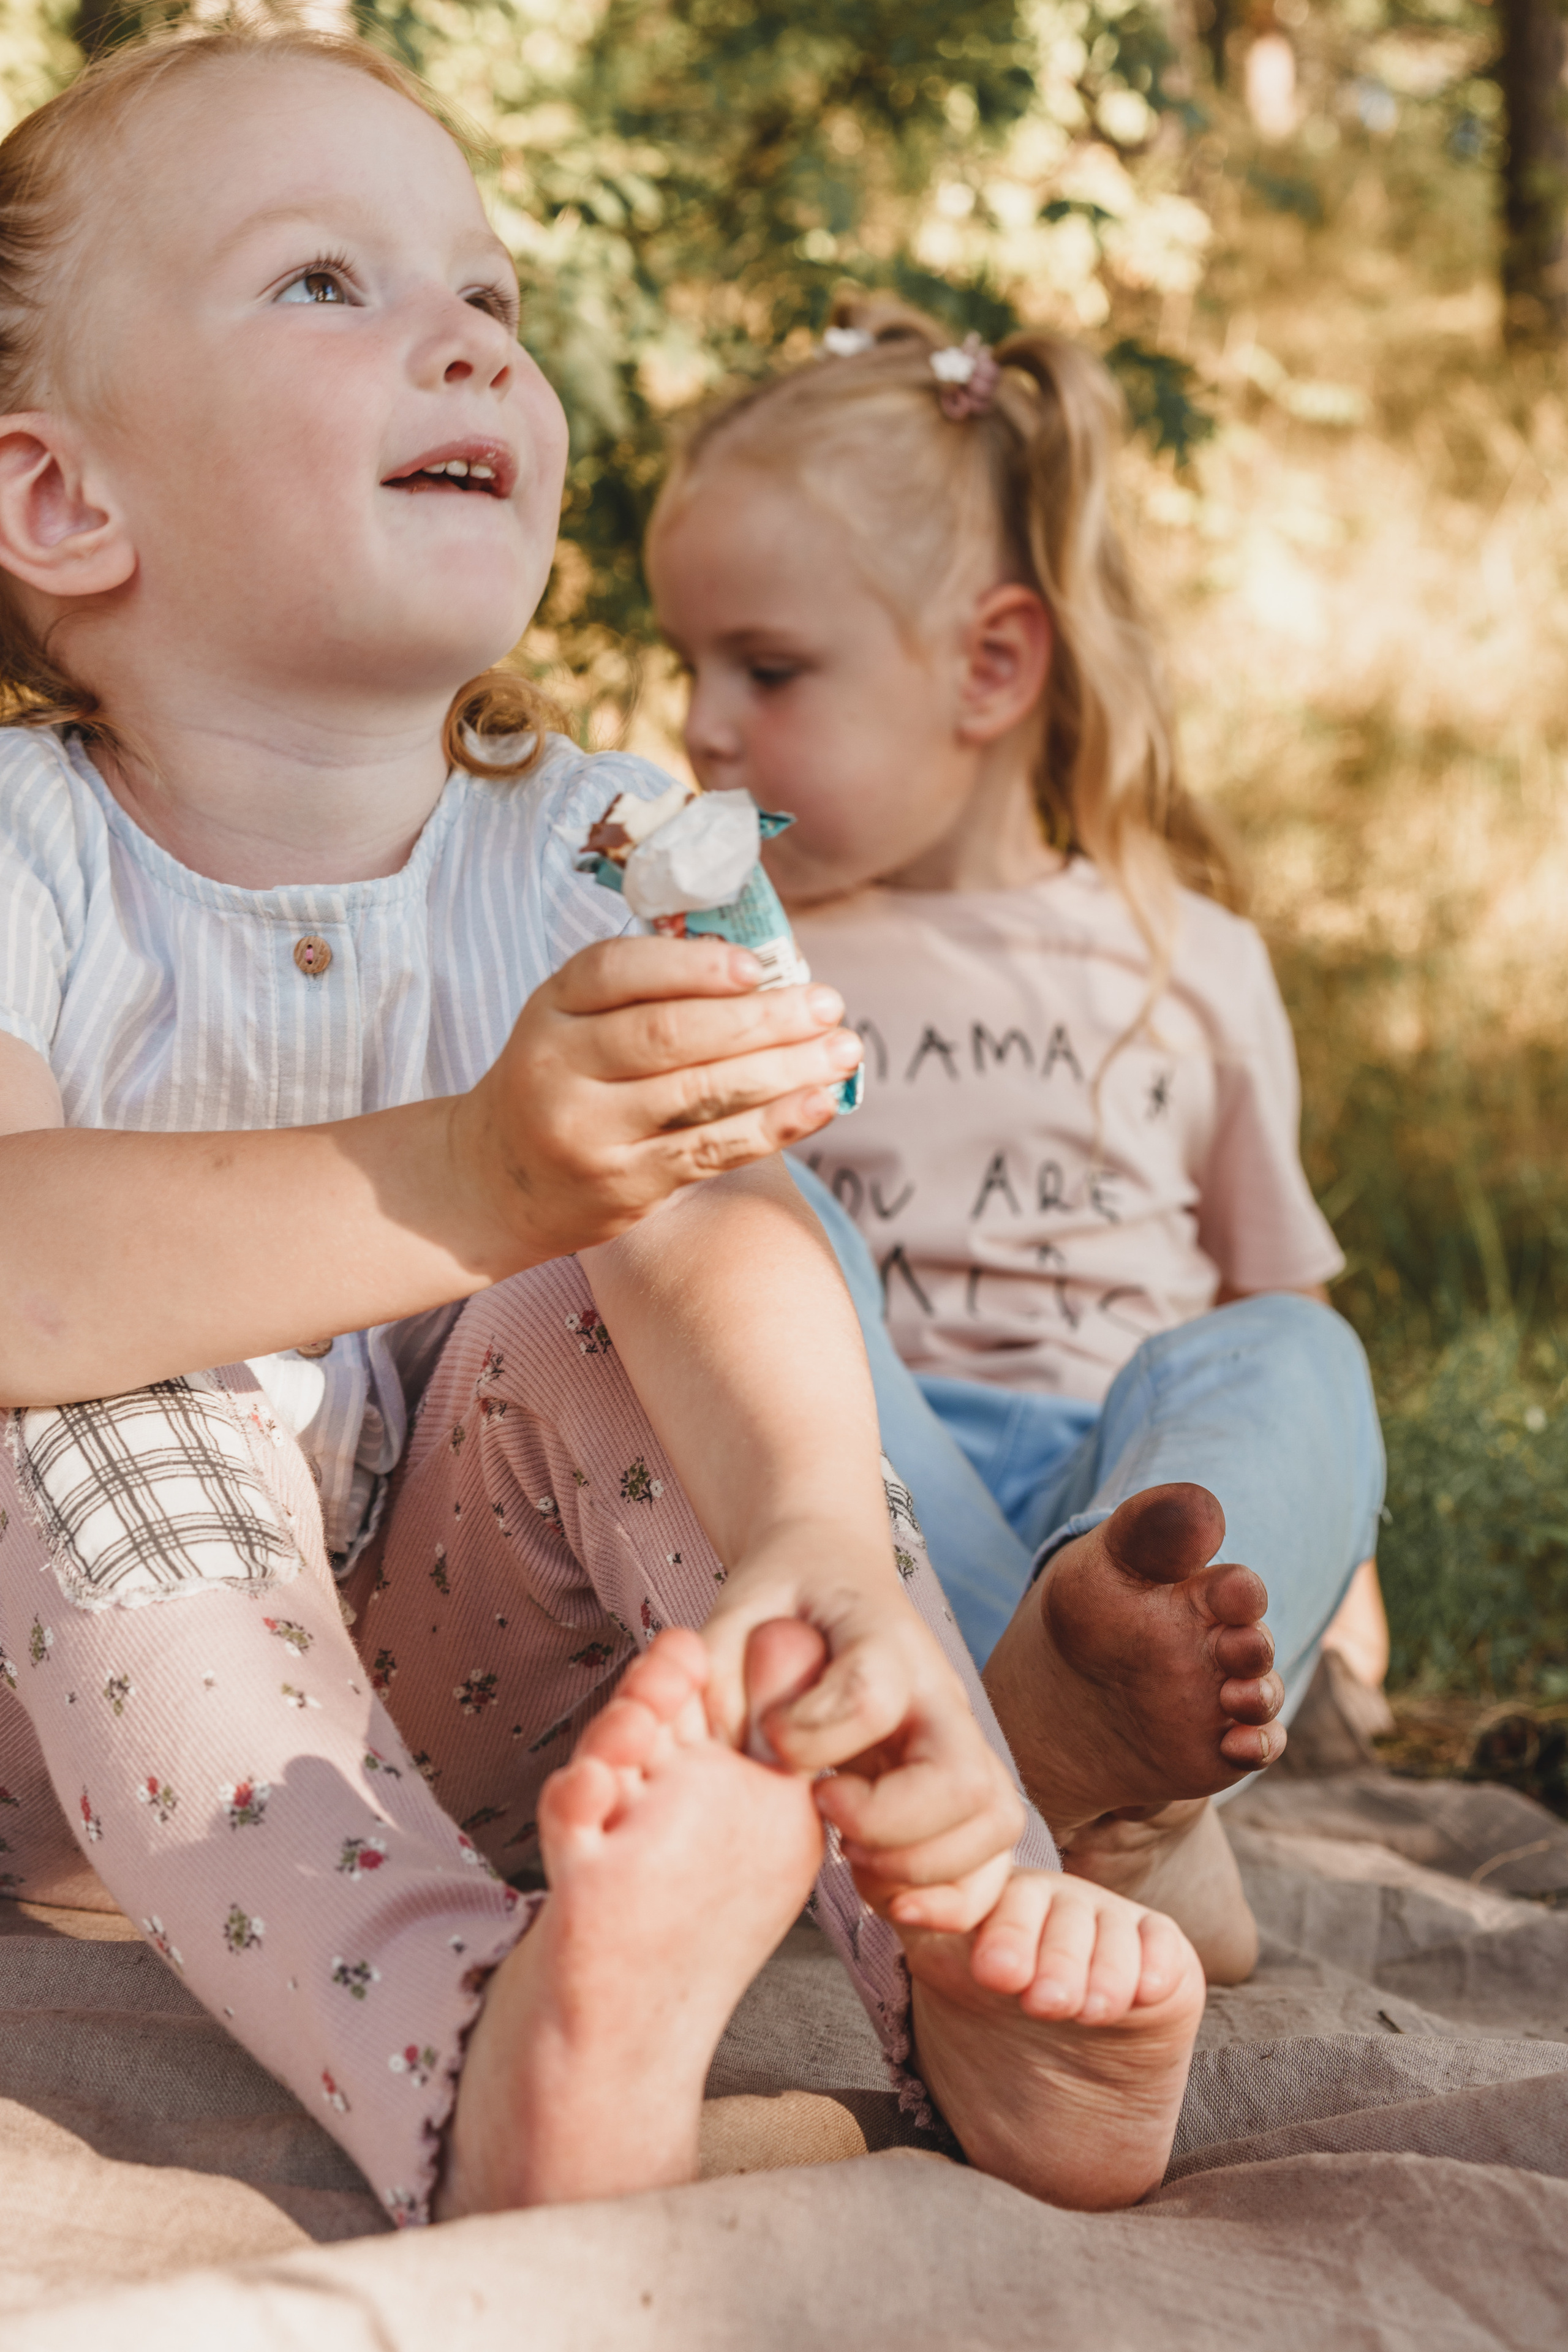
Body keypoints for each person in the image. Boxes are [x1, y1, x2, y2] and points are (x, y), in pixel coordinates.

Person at [0, 29, 1245, 2231]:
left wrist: (812, 1545)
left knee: (645, 1288)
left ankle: (954, 1963)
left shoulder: (584, 848)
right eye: (327, 283)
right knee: (121, 1375)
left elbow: (729, 1222)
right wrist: (469, 1171)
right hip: (53, 1736)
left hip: (442, 1715)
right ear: (59, 501)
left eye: (488, 291)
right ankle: (478, 2062)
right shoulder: (25, 859)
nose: (466, 329)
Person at [646, 295, 1387, 1984]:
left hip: (1125, 1525)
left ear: (992, 665)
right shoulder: (752, 954)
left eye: (765, 669)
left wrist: (1320, 1587)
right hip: (854, 1489)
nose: (699, 720)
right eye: (691, 663)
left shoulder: (1188, 958)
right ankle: (1106, 1814)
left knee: (1296, 1352)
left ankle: (1095, 1723)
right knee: (747, 1214)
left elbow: (1266, 1330)